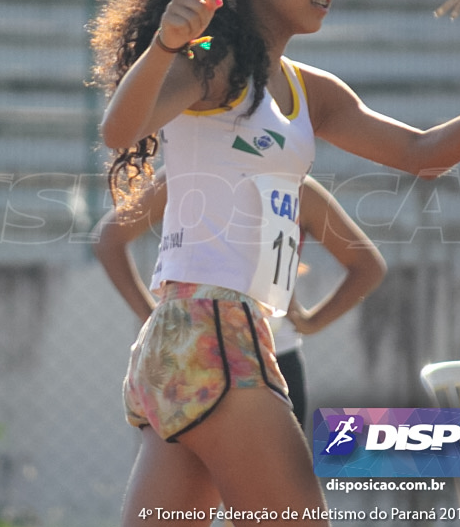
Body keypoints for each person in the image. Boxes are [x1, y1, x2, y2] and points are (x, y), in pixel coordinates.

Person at [89, 0, 460, 527]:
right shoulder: (216, 63)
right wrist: (164, 46)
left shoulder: (308, 89)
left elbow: (421, 153)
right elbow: (120, 132)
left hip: (184, 350)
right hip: (216, 335)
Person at [92, 169, 387, 429]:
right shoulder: (184, 173)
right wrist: (155, 318)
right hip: (194, 357)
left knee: (273, 489)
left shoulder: (295, 186)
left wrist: (311, 322)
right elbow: (109, 239)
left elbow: (368, 266)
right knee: (206, 488)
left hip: (268, 357)